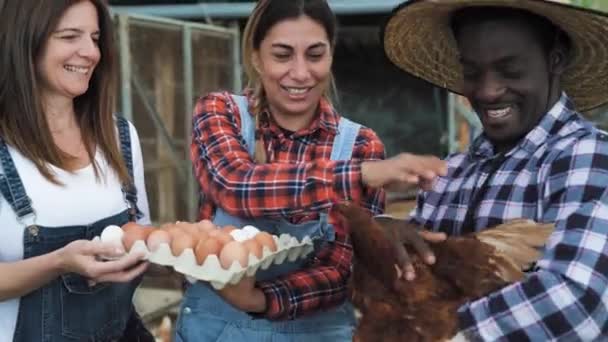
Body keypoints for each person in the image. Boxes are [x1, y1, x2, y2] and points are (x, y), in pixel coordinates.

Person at [180, 0, 447, 341]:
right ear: (256, 58)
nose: (301, 72)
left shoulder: (360, 145)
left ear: (331, 56)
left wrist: (261, 299)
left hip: (314, 331)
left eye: (315, 54)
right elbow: (236, 185)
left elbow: (341, 267)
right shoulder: (221, 112)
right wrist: (359, 175)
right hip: (216, 327)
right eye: (282, 54)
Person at [381, 0, 608, 340]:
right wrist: (380, 235)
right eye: (472, 73)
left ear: (555, 60)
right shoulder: (450, 174)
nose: (487, 90)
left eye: (510, 70)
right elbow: (404, 278)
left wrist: (432, 327)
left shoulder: (587, 155)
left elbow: (575, 302)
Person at [0, 1, 152, 341]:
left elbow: (142, 232)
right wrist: (58, 262)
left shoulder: (121, 137)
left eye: (95, 38)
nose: (90, 52)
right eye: (70, 36)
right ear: (26, 42)